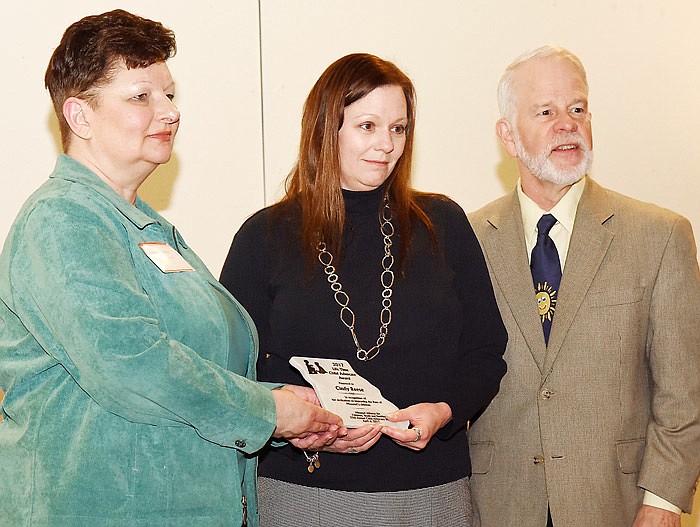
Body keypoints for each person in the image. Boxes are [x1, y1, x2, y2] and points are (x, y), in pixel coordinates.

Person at [0, 10, 343, 527]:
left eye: (170, 94)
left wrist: (273, 402)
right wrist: (268, 412)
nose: (169, 111)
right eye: (141, 96)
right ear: (79, 116)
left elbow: (197, 363)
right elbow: (133, 365)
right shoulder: (62, 219)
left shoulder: (147, 226)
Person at [219, 52, 507, 527]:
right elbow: (236, 371)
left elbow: (485, 351)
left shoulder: (444, 225)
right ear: (325, 129)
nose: (386, 145)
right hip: (304, 492)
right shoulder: (264, 236)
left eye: (399, 128)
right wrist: (302, 427)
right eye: (367, 126)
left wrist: (442, 412)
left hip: (430, 493)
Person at [467, 45, 700, 527]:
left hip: (620, 504)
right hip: (496, 507)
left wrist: (664, 498)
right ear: (508, 136)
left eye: (577, 109)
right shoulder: (464, 240)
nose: (567, 123)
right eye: (546, 111)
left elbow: (684, 389)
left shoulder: (659, 236)